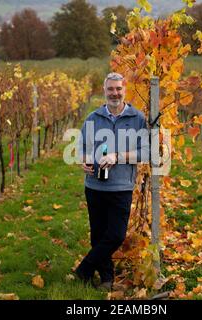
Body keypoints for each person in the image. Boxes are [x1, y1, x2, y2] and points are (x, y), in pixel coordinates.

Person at [75, 72, 149, 291]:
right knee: (97, 235)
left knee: (115, 235)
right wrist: (84, 162)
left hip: (121, 186)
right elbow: (81, 148)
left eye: (118, 89)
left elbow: (146, 152)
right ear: (104, 91)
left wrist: (118, 156)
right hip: (95, 186)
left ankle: (84, 269)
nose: (115, 93)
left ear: (124, 90)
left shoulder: (137, 119)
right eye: (110, 89)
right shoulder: (93, 118)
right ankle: (106, 279)